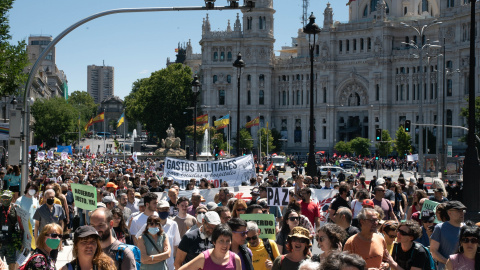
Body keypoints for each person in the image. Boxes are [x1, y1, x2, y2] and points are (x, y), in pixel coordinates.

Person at [430, 200, 467, 270]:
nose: (462, 213)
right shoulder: (439, 228)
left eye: (463, 211)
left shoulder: (467, 228)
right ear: (449, 213)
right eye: (458, 211)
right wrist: (449, 263)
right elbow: (433, 251)